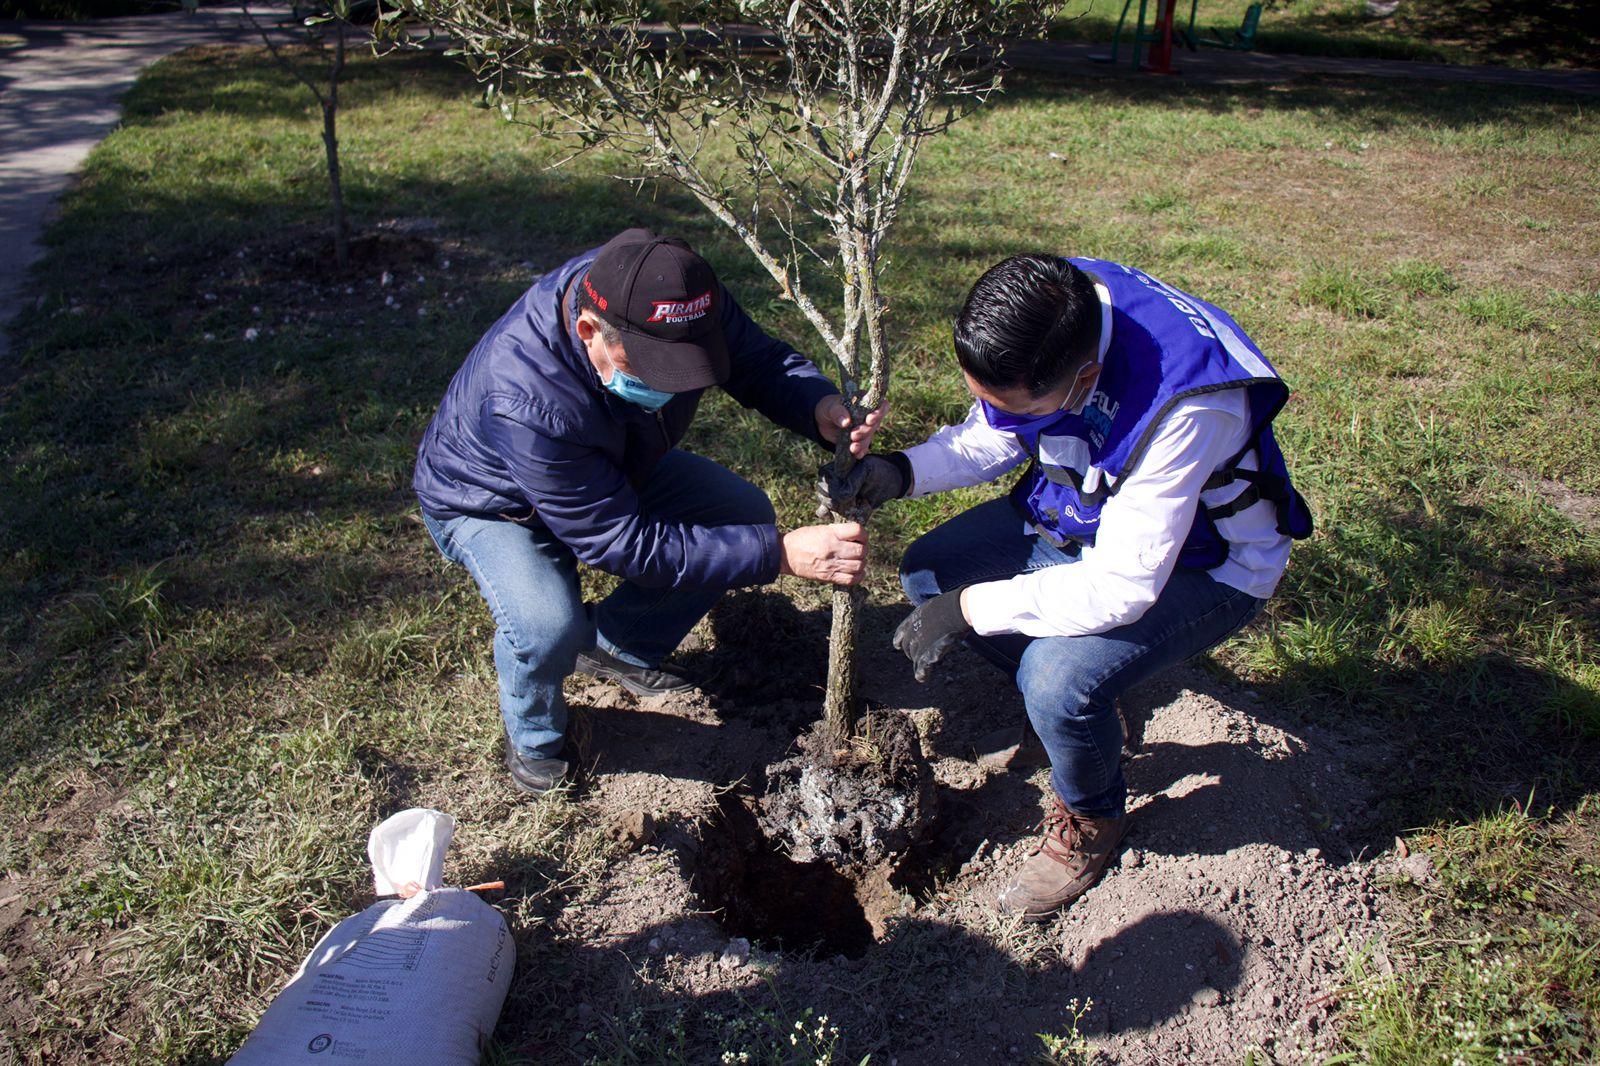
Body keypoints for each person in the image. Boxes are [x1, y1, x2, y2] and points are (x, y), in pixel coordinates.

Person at [821, 254, 1312, 920]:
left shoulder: (1188, 407)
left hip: (1206, 565)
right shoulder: (1047, 312)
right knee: (929, 570)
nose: (993, 411)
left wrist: (972, 609)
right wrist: (899, 472)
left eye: (1011, 402)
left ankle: (1092, 820)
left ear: (1084, 378)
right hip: (1082, 510)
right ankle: (1097, 696)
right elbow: (993, 432)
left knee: (1057, 682)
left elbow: (1121, 587)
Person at [416, 228, 881, 795]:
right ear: (590, 333)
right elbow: (620, 541)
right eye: (657, 373)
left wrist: (816, 404)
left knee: (739, 515)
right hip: (491, 501)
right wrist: (778, 555)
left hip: (609, 462)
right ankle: (536, 737)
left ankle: (617, 646)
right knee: (545, 625)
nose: (674, 386)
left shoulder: (675, 296)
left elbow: (755, 360)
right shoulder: (526, 398)